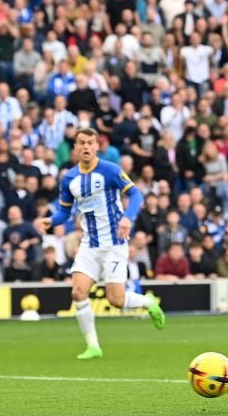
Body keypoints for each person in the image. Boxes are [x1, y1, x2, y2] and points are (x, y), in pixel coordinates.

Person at [37, 128, 166, 359]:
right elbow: (64, 213)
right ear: (75, 148)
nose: (86, 147)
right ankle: (93, 346)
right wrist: (50, 220)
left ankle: (149, 303)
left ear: (97, 146)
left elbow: (137, 195)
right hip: (89, 244)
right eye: (81, 143)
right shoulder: (69, 178)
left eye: (90, 142)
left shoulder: (110, 170)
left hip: (114, 244)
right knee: (78, 292)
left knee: (115, 300)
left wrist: (128, 218)